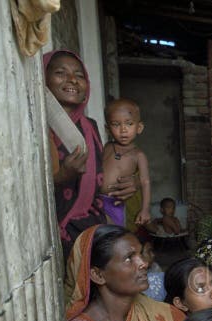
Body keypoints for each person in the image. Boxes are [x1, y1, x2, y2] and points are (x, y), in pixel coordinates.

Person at [44, 50, 136, 258]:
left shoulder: (90, 127)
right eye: (61, 73)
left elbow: (97, 179)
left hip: (91, 223)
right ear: (43, 78)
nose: (72, 80)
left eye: (79, 75)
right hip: (57, 232)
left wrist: (127, 184)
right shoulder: (36, 125)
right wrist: (60, 179)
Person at [100, 98, 151, 227]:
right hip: (96, 200)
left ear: (139, 127)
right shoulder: (107, 147)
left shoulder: (138, 155)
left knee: (114, 237)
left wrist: (145, 210)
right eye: (116, 124)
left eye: (129, 124)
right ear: (108, 129)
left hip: (115, 203)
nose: (123, 130)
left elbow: (145, 182)